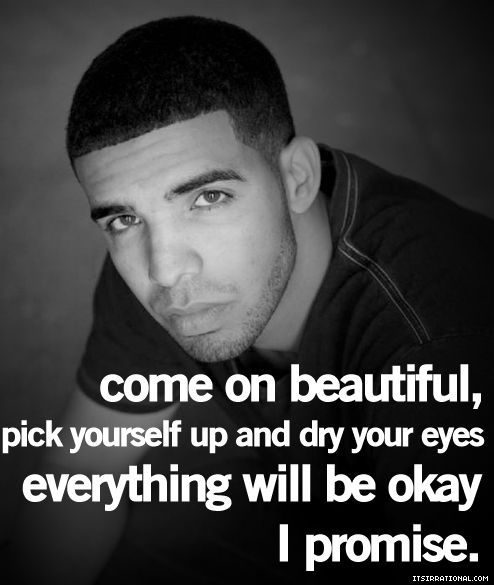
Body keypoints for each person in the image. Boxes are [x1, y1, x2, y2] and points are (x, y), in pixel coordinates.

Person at [10, 15, 493, 585]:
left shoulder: (438, 339)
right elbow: (86, 468)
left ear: (297, 179)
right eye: (123, 218)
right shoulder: (157, 270)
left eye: (209, 197)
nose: (165, 269)